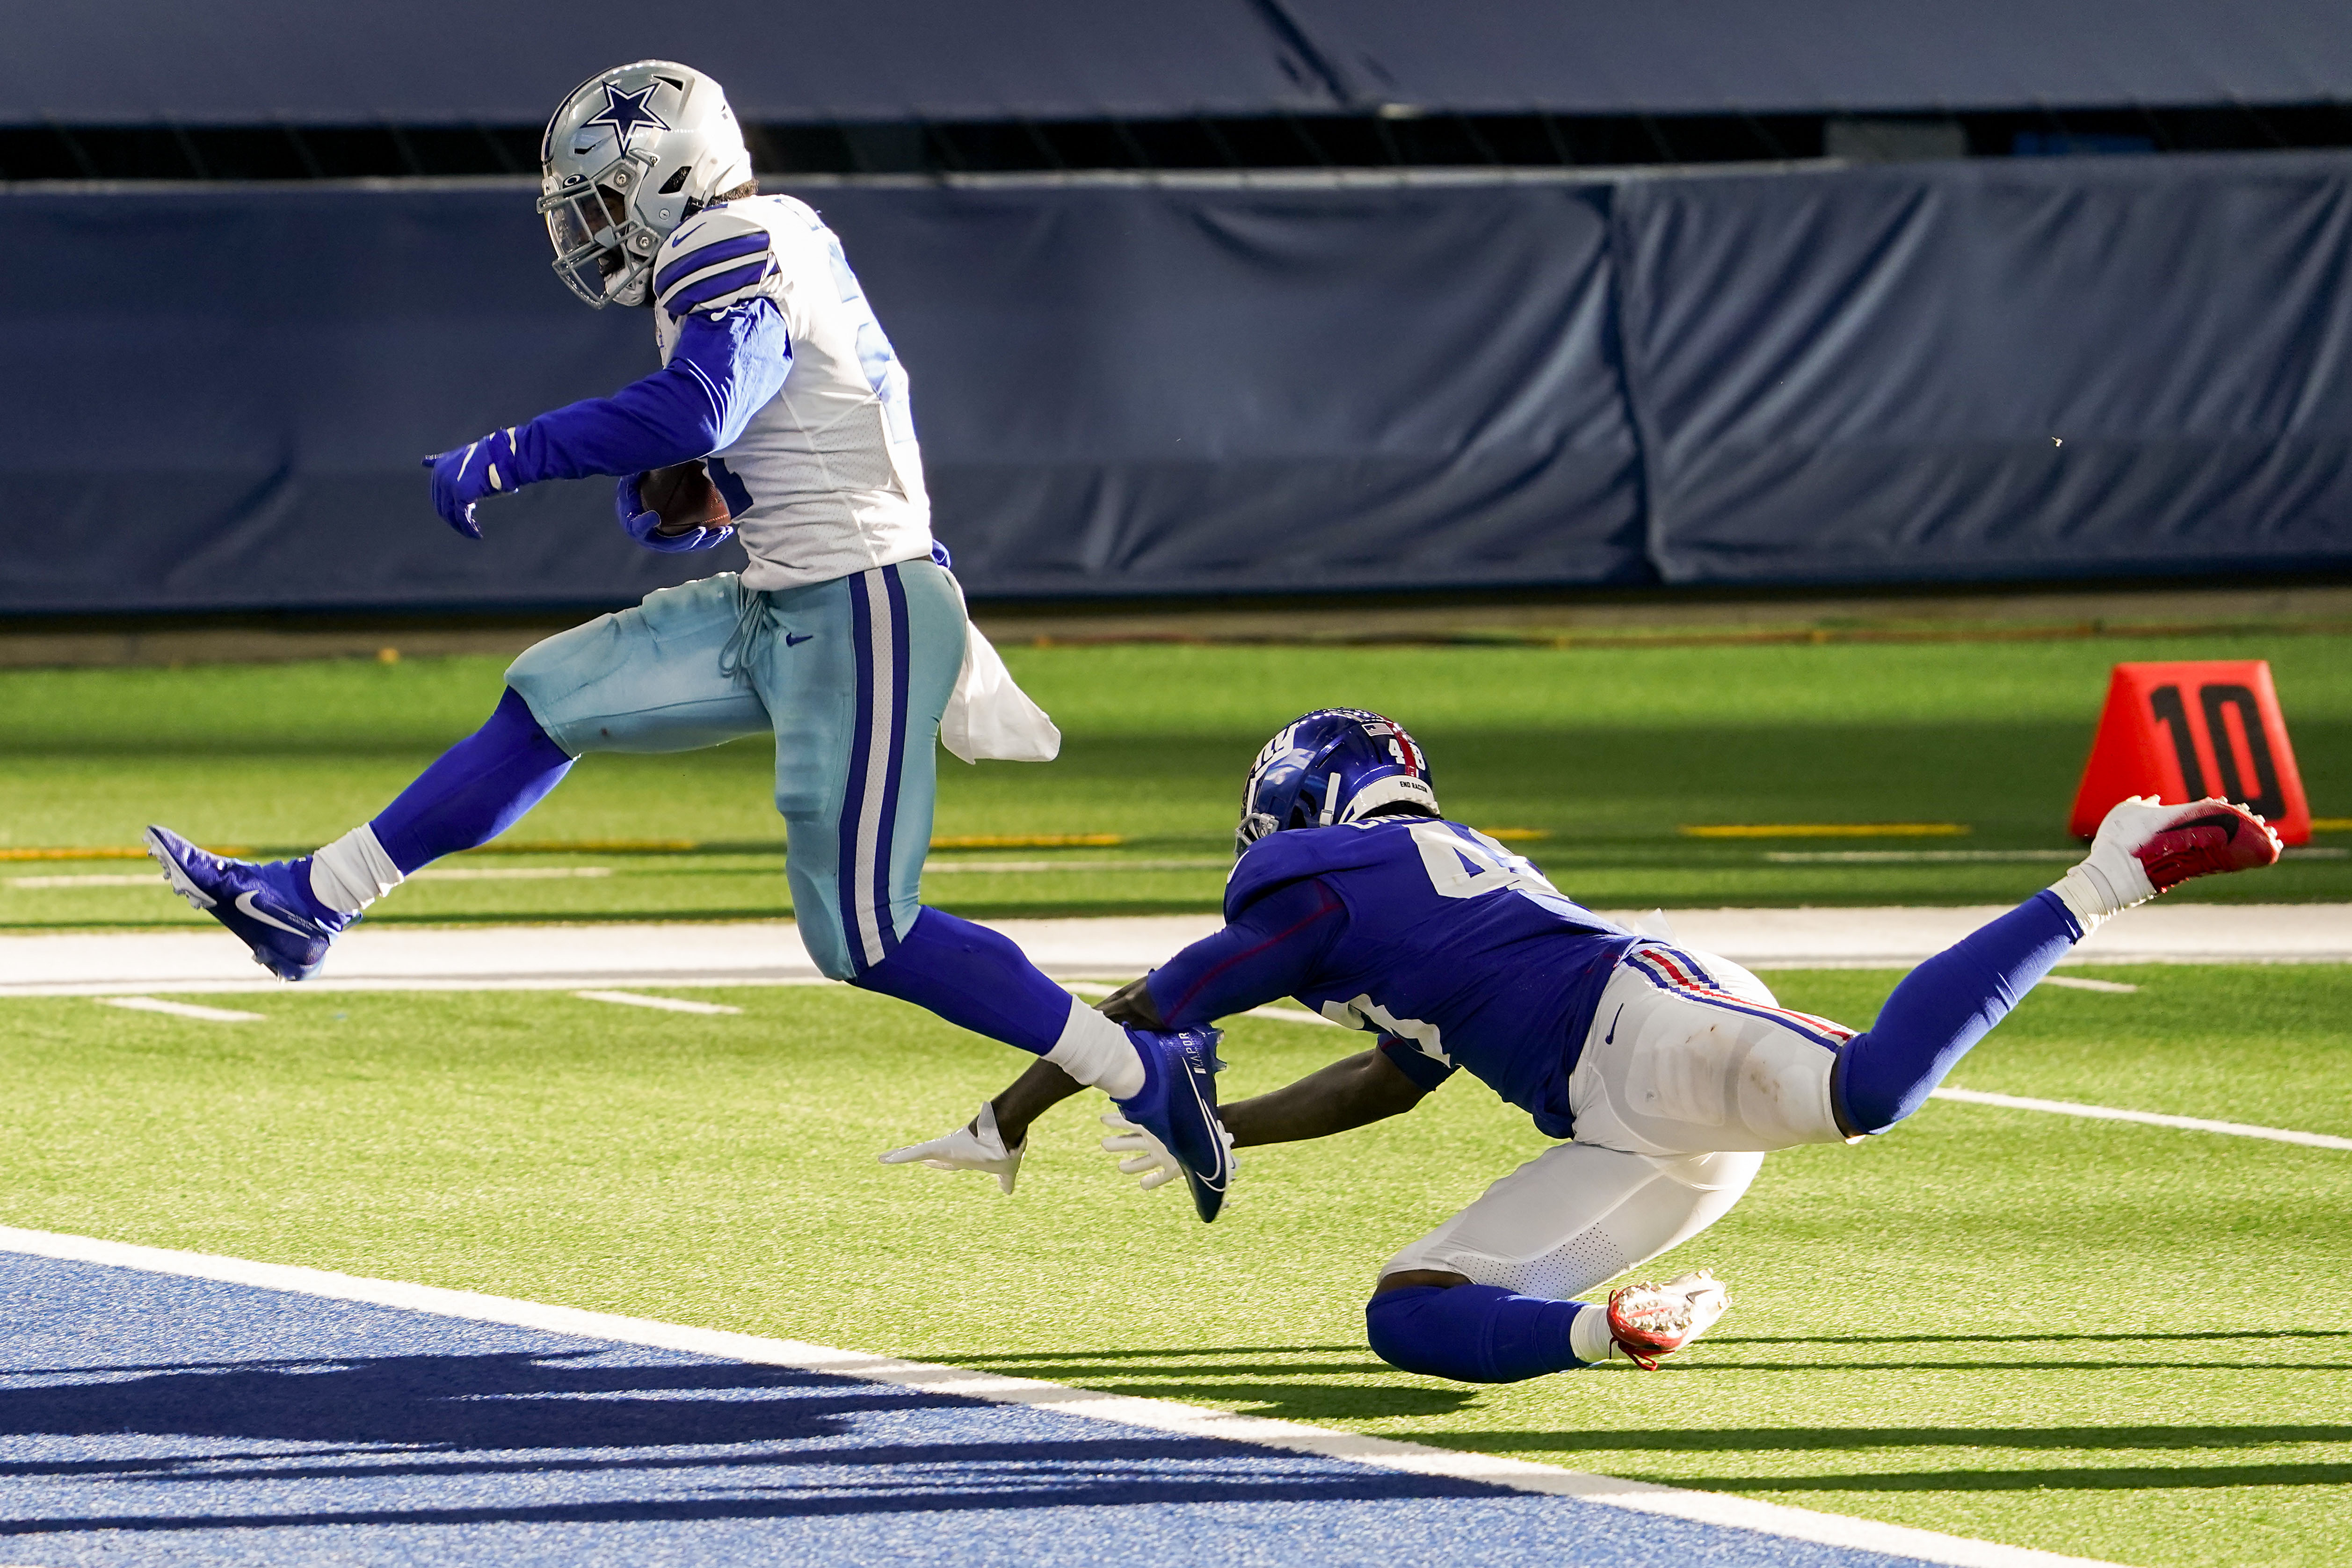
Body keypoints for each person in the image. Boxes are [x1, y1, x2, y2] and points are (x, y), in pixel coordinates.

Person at [142, 60, 1231, 1212]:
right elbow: (725, 452)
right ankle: (312, 901)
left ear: (675, 172)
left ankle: (1140, 1064)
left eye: (607, 200)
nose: (592, 229)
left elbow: (703, 405)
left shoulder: (735, 240)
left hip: (862, 609)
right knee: (552, 692)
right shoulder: (767, 238)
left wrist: (511, 453)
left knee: (866, 932)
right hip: (789, 599)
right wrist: (686, 496)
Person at [884, 707, 2281, 1379]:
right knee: (1405, 1312)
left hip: (1644, 1013)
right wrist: (1231, 1129)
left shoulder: (1311, 884)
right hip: (1623, 1128)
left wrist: (1015, 1113)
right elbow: (1391, 1078)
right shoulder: (1410, 888)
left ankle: (2108, 876)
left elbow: (1146, 1010)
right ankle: (1615, 1335)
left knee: (1869, 1092)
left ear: (1302, 806)